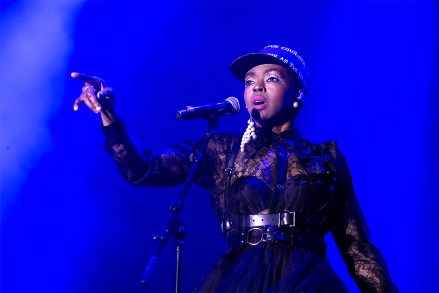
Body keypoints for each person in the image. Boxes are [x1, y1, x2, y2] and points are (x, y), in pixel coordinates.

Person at [72, 45, 397, 292]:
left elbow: (358, 247)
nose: (257, 87)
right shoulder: (221, 149)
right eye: (249, 81)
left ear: (297, 93)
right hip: (241, 277)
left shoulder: (324, 159)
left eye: (271, 79)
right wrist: (110, 116)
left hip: (307, 280)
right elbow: (141, 169)